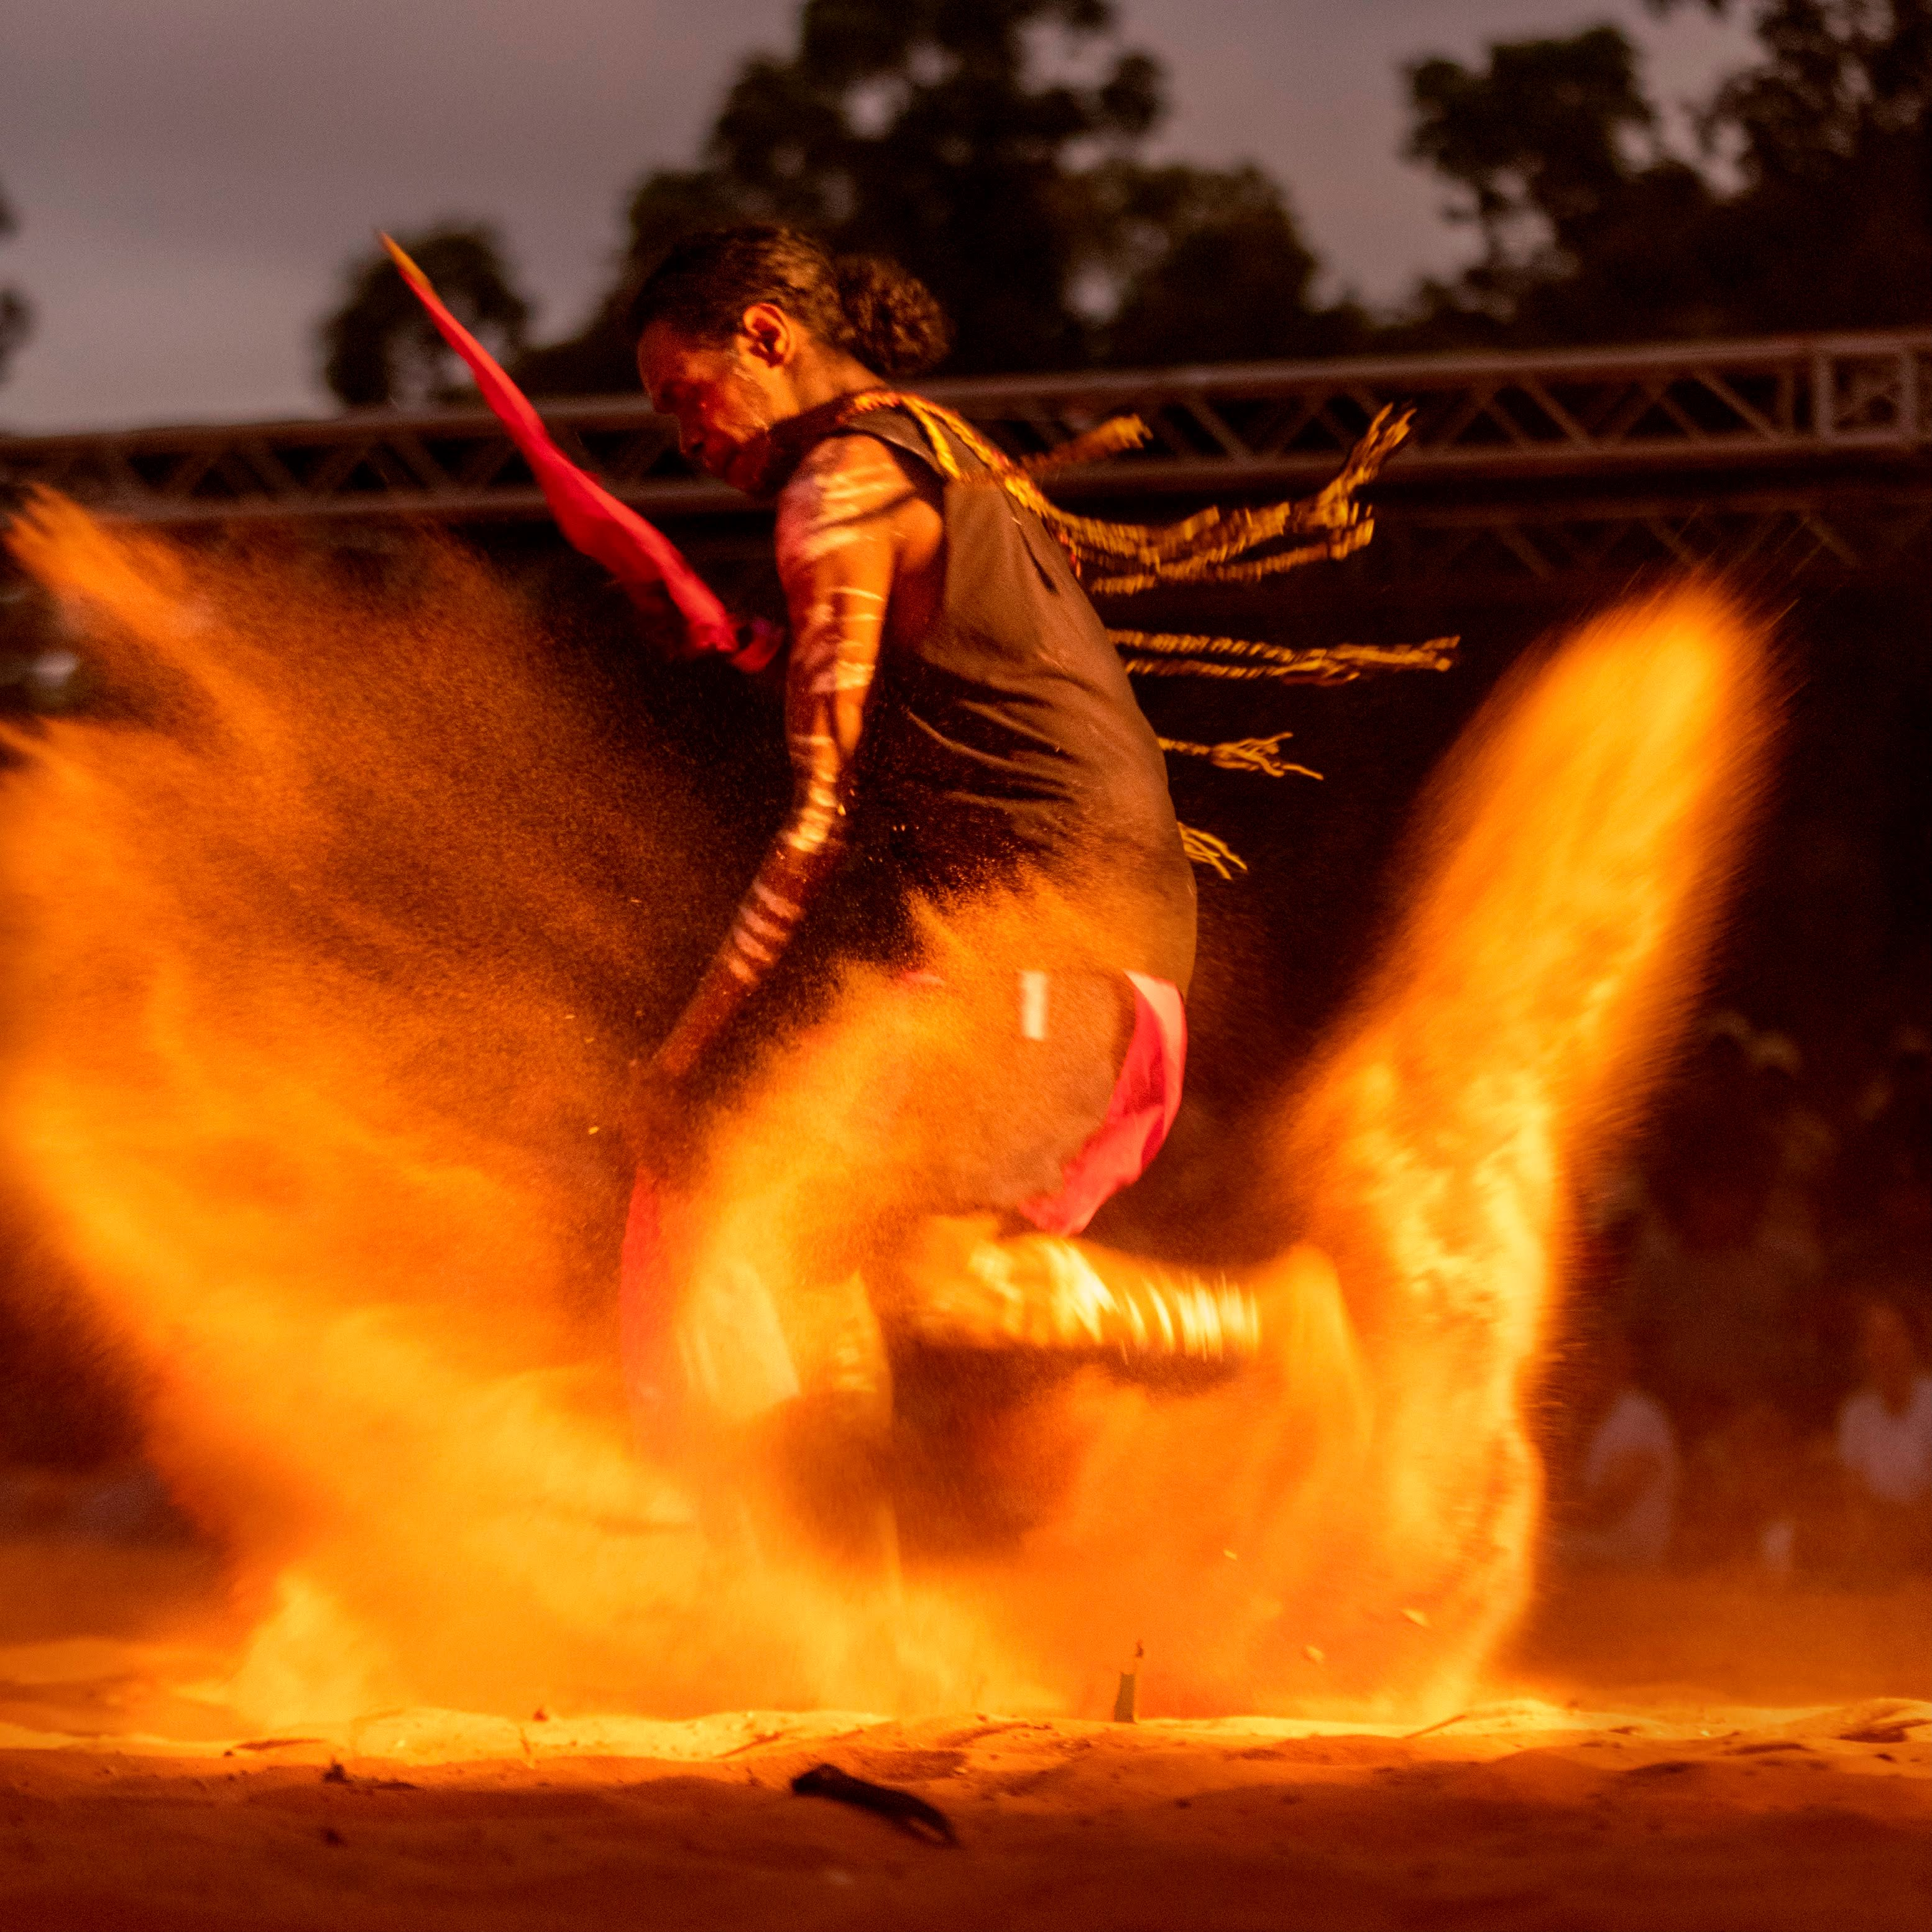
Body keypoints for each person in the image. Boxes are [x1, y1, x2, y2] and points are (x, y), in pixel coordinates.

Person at [1557, 1325, 1680, 1569]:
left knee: (1537, 1554)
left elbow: (1611, 1506)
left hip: (1630, 1551)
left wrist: (1546, 1521)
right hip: (1602, 1543)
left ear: (1620, 1366)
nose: (1584, 1372)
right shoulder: (1594, 1417)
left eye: (1596, 1362)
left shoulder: (1638, 1418)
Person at [1833, 1296, 1932, 1576]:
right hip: (1877, 1538)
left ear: (1912, 1342)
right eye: (1873, 1339)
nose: (1883, 1348)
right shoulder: (1854, 1413)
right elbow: (1851, 1494)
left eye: (1891, 1336)